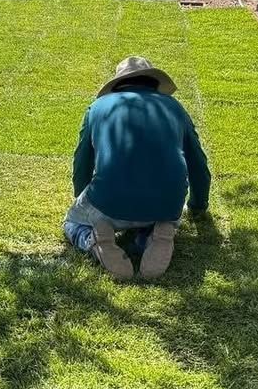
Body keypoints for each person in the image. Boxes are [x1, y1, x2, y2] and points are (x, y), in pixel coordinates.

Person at [65, 56, 211, 281]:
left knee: (72, 223)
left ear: (117, 83)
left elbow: (82, 162)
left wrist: (82, 199)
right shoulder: (175, 108)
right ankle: (152, 237)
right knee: (156, 216)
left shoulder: (97, 108)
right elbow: (197, 162)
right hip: (167, 204)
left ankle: (92, 241)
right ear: (153, 82)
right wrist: (198, 205)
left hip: (109, 202)